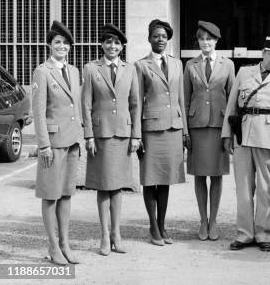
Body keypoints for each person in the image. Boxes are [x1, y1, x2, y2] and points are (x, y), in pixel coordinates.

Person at [221, 36, 270, 252]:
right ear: (263, 53)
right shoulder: (245, 72)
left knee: (266, 189)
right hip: (243, 135)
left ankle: (264, 234)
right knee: (243, 189)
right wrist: (227, 134)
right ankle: (244, 234)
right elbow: (232, 105)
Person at [81, 23, 140, 256]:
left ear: (122, 46)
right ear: (102, 44)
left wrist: (136, 135)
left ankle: (117, 234)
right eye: (108, 41)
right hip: (101, 135)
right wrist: (89, 136)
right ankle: (104, 236)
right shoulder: (91, 68)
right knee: (103, 187)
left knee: (118, 187)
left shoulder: (130, 69)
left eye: (116, 42)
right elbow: (86, 104)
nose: (112, 46)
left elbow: (136, 104)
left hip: (123, 135)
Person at [32, 20, 83, 265]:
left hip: (71, 141)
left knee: (66, 195)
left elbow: (76, 106)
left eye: (65, 43)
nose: (62, 46)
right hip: (52, 144)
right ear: (50, 46)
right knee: (50, 195)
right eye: (57, 43)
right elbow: (39, 112)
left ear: (70, 47)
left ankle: (65, 243)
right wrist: (43, 146)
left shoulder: (73, 71)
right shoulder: (42, 72)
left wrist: (80, 137)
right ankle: (53, 246)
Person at [135, 19, 190, 246]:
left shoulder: (177, 64)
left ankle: (162, 224)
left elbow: (181, 99)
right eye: (156, 36)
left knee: (165, 180)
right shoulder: (141, 65)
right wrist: (137, 136)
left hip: (173, 129)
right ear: (149, 39)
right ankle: (153, 227)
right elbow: (137, 102)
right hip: (151, 129)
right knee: (150, 180)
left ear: (168, 40)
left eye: (164, 36)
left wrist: (185, 131)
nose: (160, 39)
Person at [184, 21, 235, 241]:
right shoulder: (190, 65)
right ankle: (202, 222)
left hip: (218, 127)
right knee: (198, 176)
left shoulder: (228, 65)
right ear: (198, 41)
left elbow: (232, 101)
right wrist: (185, 132)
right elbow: (184, 100)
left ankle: (213, 221)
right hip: (196, 127)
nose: (206, 42)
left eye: (210, 39)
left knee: (216, 176)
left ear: (216, 41)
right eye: (202, 38)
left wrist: (230, 133)